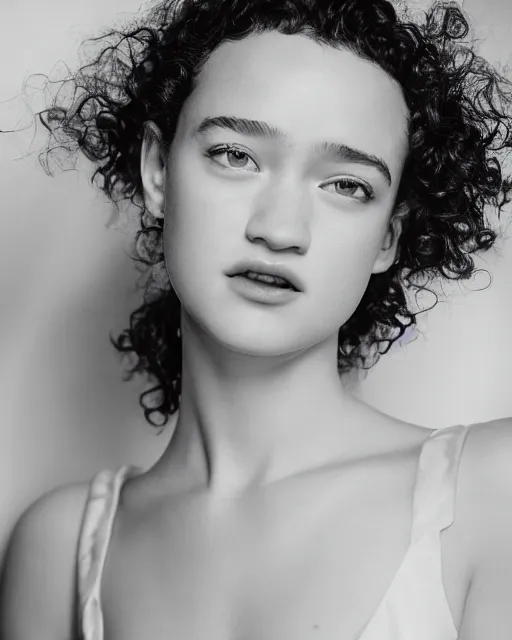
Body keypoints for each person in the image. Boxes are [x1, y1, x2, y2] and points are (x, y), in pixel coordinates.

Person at [1, 0, 512, 637]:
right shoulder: (58, 549)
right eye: (235, 155)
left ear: (388, 237)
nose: (278, 229)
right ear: (158, 169)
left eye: (347, 185)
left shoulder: (494, 493)